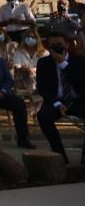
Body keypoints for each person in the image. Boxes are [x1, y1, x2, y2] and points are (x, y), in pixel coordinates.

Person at [35, 30, 85, 164]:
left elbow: (82, 83)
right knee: (43, 116)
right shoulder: (43, 63)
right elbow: (42, 88)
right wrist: (56, 103)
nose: (57, 47)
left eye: (59, 44)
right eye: (52, 45)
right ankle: (60, 155)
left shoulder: (79, 61)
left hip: (78, 100)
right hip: (56, 101)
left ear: (67, 45)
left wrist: (63, 63)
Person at [12, 30, 47, 97]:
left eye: (32, 37)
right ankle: (34, 94)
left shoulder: (45, 53)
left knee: (31, 75)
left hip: (40, 77)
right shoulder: (18, 52)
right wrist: (27, 70)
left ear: (37, 39)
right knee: (28, 75)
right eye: (27, 37)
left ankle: (34, 96)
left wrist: (31, 70)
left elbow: (45, 68)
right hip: (23, 76)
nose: (30, 38)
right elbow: (17, 66)